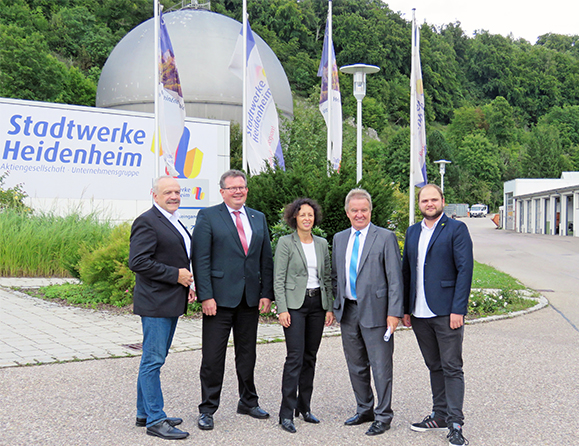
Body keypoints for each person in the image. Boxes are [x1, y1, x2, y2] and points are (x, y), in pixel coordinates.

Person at [192, 169, 274, 431]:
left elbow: (265, 260)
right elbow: (200, 259)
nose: (238, 191)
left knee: (247, 354)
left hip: (249, 299)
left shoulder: (258, 218)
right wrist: (206, 295)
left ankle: (248, 401)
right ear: (222, 191)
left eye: (242, 187)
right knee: (213, 357)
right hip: (218, 300)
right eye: (232, 188)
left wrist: (266, 293)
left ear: (246, 189)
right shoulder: (208, 216)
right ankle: (207, 408)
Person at [402, 184, 473, 446]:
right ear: (419, 204)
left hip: (446, 312)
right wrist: (405, 310)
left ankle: (455, 423)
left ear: (443, 201)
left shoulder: (456, 229)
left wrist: (458, 309)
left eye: (434, 199)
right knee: (434, 365)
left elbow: (465, 270)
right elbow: (406, 271)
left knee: (452, 367)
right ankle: (439, 414)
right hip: (419, 313)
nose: (429, 204)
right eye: (424, 200)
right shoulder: (412, 232)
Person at [331, 188, 404, 436]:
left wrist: (394, 313)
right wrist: (335, 305)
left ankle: (384, 416)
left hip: (378, 312)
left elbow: (395, 279)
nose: (359, 214)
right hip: (348, 311)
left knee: (381, 366)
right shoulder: (339, 239)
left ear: (370, 211)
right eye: (355, 210)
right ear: (347, 212)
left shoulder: (384, 237)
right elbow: (335, 276)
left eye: (364, 210)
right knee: (356, 365)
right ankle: (365, 409)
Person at [129, 176, 195, 440]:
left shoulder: (172, 219)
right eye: (168, 192)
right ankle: (156, 420)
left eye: (177, 192)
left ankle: (144, 413)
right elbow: (138, 261)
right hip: (156, 302)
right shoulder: (147, 221)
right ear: (154, 195)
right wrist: (175, 276)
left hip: (168, 300)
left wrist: (186, 283)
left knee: (153, 359)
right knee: (153, 360)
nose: (174, 196)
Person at [274, 198, 335, 434]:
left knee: (310, 357)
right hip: (295, 306)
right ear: (294, 218)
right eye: (302, 215)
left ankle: (304, 407)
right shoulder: (285, 243)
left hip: (317, 304)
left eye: (310, 215)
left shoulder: (321, 243)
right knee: (295, 358)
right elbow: (279, 278)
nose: (307, 218)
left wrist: (329, 307)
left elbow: (327, 277)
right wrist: (282, 309)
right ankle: (286, 413)